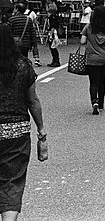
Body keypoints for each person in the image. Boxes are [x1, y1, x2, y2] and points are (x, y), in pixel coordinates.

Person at [0, 24, 47, 220]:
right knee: (12, 181)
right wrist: (41, 129)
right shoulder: (23, 65)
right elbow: (32, 100)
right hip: (16, 132)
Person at [81, 6, 105, 115]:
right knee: (102, 81)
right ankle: (101, 103)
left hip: (91, 58)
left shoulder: (89, 27)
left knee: (93, 82)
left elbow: (83, 41)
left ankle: (94, 102)